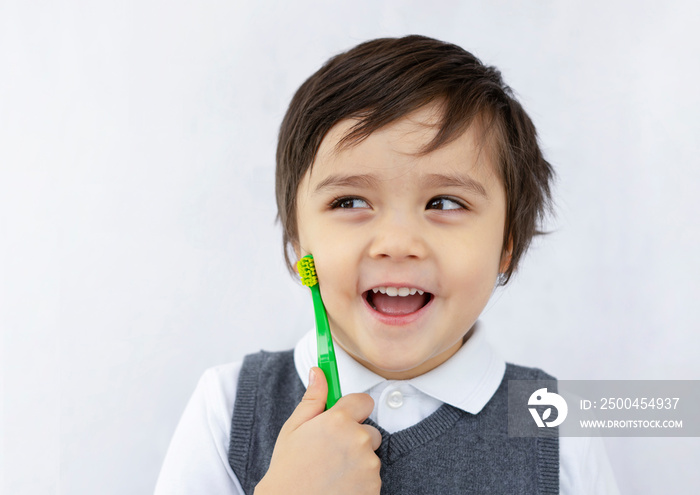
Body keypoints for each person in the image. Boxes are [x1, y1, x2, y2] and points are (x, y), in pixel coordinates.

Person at [154, 35, 618, 494]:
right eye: (350, 200)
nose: (397, 244)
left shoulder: (557, 419)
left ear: (505, 245)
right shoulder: (230, 403)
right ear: (298, 245)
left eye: (445, 202)